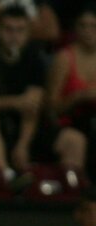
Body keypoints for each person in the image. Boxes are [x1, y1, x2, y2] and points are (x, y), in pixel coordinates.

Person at [0, 5, 61, 181]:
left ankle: (69, 184)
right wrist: (15, 102)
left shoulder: (33, 56)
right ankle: (4, 174)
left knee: (72, 138)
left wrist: (23, 145)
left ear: (29, 32)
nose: (14, 36)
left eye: (20, 30)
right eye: (8, 29)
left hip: (23, 128)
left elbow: (33, 104)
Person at [46, 4, 96, 172]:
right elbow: (51, 109)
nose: (88, 31)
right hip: (68, 123)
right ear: (75, 29)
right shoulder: (64, 58)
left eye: (93, 26)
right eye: (83, 25)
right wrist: (79, 96)